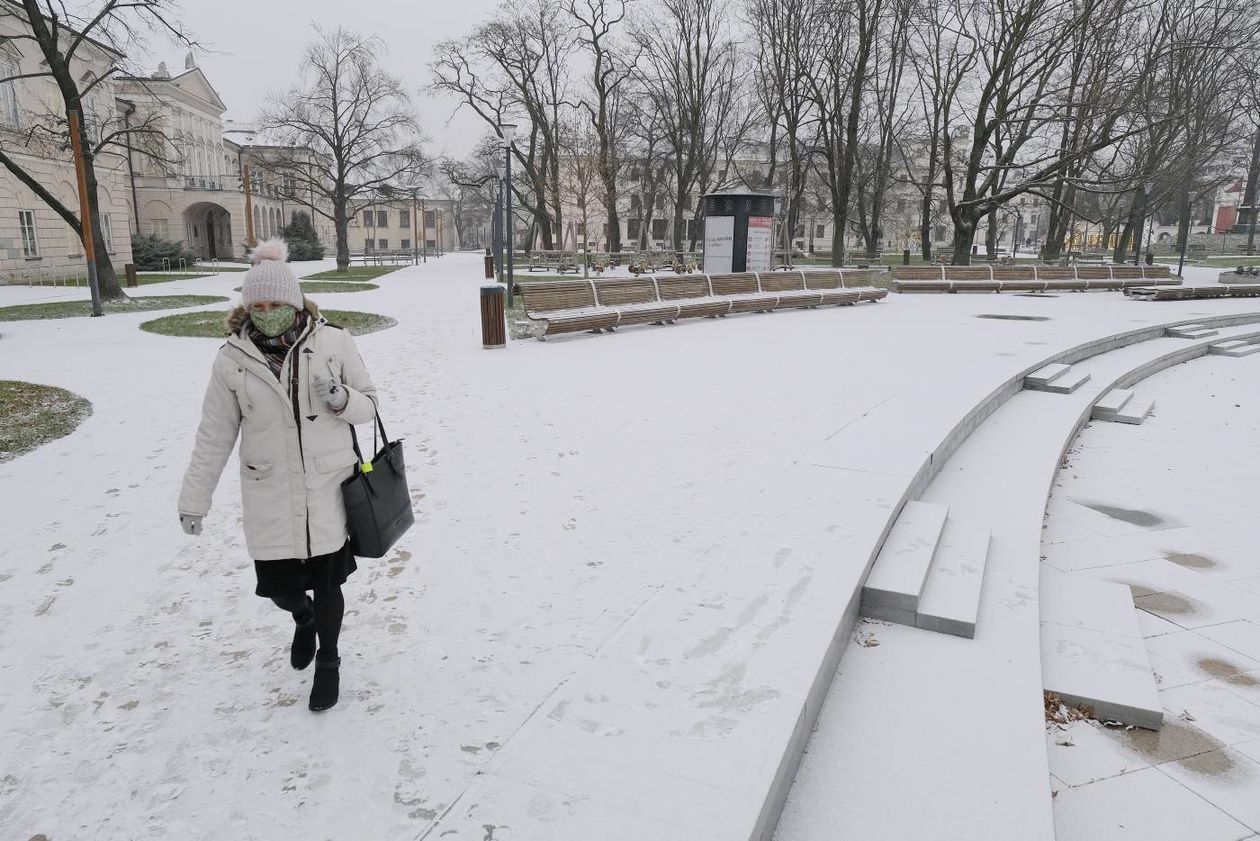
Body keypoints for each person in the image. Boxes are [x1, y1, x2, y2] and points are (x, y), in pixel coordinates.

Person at [178, 239, 378, 712]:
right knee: (281, 589)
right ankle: (302, 619)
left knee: (330, 585)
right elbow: (214, 434)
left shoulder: (333, 341)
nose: (266, 312)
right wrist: (194, 500)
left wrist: (340, 398)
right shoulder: (232, 358)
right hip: (268, 491)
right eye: (257, 305)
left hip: (325, 487)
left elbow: (369, 406)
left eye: (275, 303)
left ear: (294, 301)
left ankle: (329, 661)